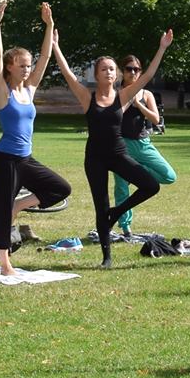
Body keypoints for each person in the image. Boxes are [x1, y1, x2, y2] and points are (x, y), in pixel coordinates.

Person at [52, 24, 173, 268]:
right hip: (95, 157)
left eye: (111, 69)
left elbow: (147, 75)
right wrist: (55, 45)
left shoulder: (124, 96)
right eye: (104, 69)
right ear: (96, 75)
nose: (109, 72)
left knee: (151, 185)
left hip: (118, 154)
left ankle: (118, 213)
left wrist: (162, 48)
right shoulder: (88, 97)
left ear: (116, 75)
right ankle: (107, 257)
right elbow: (67, 73)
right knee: (101, 205)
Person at [0, 0, 64, 279]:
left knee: (60, 188)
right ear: (10, 66)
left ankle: (19, 204)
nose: (27, 69)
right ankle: (5, 264)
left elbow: (45, 58)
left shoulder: (29, 90)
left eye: (28, 65)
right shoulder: (2, 91)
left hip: (25, 159)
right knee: (3, 213)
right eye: (22, 65)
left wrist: (49, 25)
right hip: (4, 160)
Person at [110, 53, 178, 238]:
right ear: (122, 72)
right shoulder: (116, 92)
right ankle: (126, 228)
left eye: (137, 69)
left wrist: (140, 106)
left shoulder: (146, 94)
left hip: (142, 144)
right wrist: (126, 101)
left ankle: (138, 172)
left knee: (169, 175)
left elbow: (156, 119)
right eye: (129, 69)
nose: (133, 73)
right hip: (121, 145)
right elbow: (111, 116)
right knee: (121, 187)